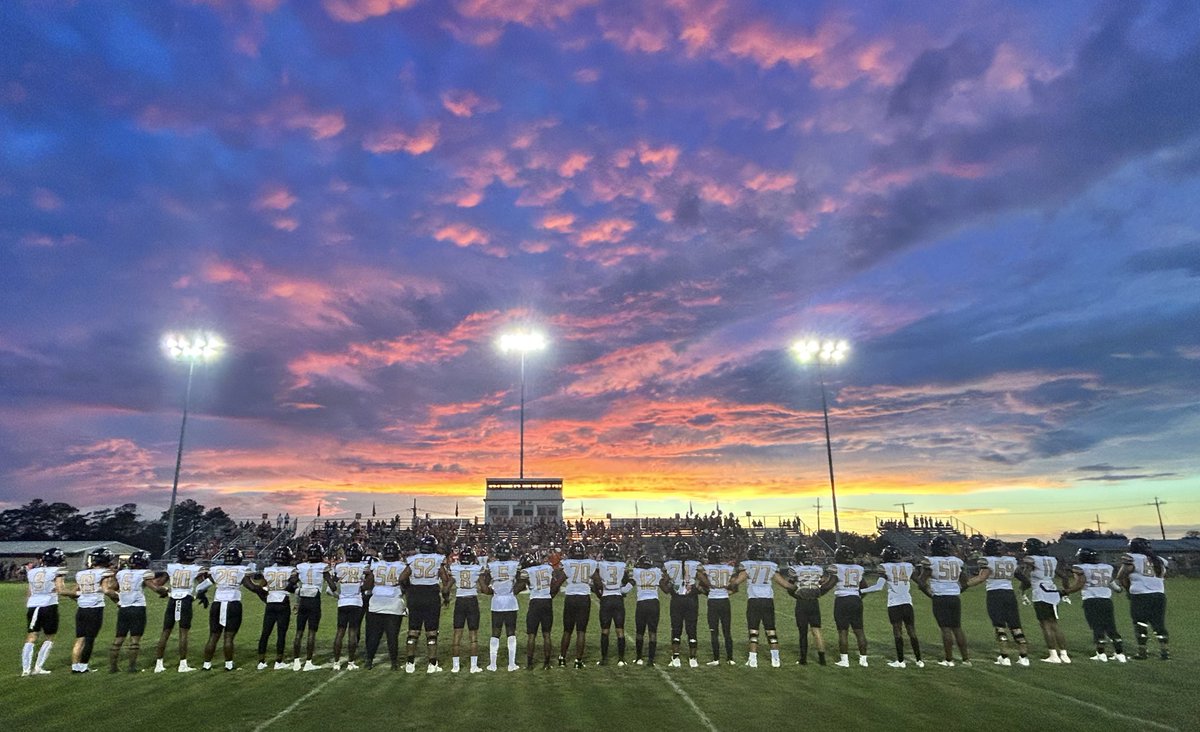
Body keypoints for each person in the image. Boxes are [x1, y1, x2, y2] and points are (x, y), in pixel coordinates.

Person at [965, 538, 1029, 666]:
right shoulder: (1011, 560)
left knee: (999, 625)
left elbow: (981, 578)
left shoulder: (988, 561)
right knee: (1015, 625)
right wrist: (1022, 590)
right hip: (1009, 594)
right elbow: (1025, 580)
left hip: (995, 594)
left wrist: (963, 585)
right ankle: (1024, 657)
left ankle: (1005, 657)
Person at [728, 542, 791, 668]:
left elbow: (736, 582)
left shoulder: (748, 565)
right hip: (768, 601)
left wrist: (729, 581)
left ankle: (753, 660)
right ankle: (775, 659)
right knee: (771, 629)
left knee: (753, 630)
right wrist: (797, 587)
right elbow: (785, 584)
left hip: (754, 601)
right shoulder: (771, 566)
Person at [915, 536, 969, 667]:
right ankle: (966, 659)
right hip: (954, 597)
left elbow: (921, 582)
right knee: (957, 628)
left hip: (940, 597)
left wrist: (930, 594)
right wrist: (956, 591)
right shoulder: (957, 561)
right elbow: (965, 582)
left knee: (945, 629)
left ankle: (949, 660)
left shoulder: (931, 561)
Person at [153, 543, 208, 673]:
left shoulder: (172, 567)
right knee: (183, 632)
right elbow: (203, 585)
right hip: (185, 600)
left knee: (165, 631)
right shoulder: (196, 569)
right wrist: (201, 596)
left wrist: (165, 592)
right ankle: (182, 664)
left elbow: (158, 584)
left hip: (173, 599)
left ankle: (158, 664)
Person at [110, 551, 166, 673]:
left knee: (119, 638)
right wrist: (165, 591)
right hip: (137, 608)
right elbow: (155, 588)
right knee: (135, 640)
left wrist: (118, 599)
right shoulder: (144, 573)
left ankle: (113, 667)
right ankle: (132, 667)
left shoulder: (121, 573)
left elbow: (113, 588)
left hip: (123, 608)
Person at [201, 547, 256, 671]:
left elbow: (202, 586)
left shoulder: (216, 569)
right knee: (229, 637)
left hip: (217, 602)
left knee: (213, 636)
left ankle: (206, 664)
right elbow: (251, 587)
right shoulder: (241, 569)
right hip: (233, 603)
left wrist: (201, 594)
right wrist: (263, 592)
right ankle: (228, 664)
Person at [1066, 547, 1125, 662]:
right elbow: (1113, 584)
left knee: (1097, 627)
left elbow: (1079, 583)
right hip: (1106, 601)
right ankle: (1120, 653)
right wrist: (1119, 589)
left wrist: (1065, 591)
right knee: (1111, 627)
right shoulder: (1107, 567)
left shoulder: (1080, 568)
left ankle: (1101, 654)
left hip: (1092, 600)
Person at [1018, 538, 1070, 664]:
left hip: (1041, 593)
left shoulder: (1032, 559)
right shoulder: (1052, 559)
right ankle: (1064, 655)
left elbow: (1026, 579)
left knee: (1045, 625)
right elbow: (1064, 576)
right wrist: (1066, 592)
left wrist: (1022, 591)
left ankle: (1053, 655)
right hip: (1053, 591)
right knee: (1055, 624)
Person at [1117, 537, 1168, 660]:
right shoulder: (1159, 560)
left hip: (1141, 595)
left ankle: (1142, 652)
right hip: (1159, 595)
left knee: (1140, 623)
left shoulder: (1133, 558)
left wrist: (1128, 589)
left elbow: (1121, 575)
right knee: (1158, 624)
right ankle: (1165, 652)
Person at [400, 534, 446, 673]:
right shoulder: (438, 559)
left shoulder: (413, 559)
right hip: (431, 595)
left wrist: (408, 589)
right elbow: (445, 579)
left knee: (413, 631)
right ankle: (432, 665)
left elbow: (402, 577)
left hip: (415, 595)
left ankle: (410, 664)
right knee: (431, 632)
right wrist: (446, 595)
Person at [69, 547, 118, 673]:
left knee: (80, 638)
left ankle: (75, 667)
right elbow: (107, 590)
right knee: (90, 638)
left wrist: (82, 599)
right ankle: (84, 666)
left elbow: (73, 593)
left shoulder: (81, 573)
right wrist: (119, 597)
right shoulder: (105, 573)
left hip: (81, 609)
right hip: (95, 609)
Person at [822, 545, 871, 668]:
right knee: (859, 631)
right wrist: (857, 597)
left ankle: (845, 660)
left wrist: (817, 591)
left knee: (843, 631)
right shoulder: (858, 568)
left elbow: (828, 586)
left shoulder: (837, 568)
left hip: (842, 600)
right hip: (856, 600)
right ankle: (863, 660)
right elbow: (864, 587)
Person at [22, 547, 67, 676]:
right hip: (49, 605)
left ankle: (26, 669)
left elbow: (29, 592)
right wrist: (77, 594)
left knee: (31, 635)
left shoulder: (32, 572)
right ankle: (37, 667)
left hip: (33, 605)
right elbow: (61, 589)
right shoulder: (58, 571)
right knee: (49, 636)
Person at [327, 542, 371, 670]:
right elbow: (369, 582)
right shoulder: (364, 566)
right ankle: (351, 662)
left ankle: (336, 662)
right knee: (353, 631)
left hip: (343, 602)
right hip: (356, 602)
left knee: (340, 632)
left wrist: (338, 595)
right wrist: (361, 588)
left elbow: (332, 586)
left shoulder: (340, 567)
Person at [877, 546, 922, 668]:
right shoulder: (908, 566)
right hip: (907, 602)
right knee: (911, 630)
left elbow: (880, 584)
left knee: (897, 631)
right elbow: (919, 581)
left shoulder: (884, 567)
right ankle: (919, 660)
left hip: (894, 603)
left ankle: (901, 661)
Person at [364, 540, 406, 670]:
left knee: (374, 635)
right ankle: (394, 663)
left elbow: (367, 584)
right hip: (394, 602)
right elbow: (406, 584)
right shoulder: (402, 566)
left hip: (376, 602)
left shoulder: (376, 565)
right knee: (392, 636)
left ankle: (369, 661)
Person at [518, 552, 565, 669]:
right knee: (547, 634)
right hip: (547, 601)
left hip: (535, 602)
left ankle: (529, 664)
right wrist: (550, 596)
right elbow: (555, 584)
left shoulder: (527, 571)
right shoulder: (547, 568)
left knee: (531, 635)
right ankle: (547, 664)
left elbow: (520, 586)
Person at [255, 546, 297, 670]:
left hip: (271, 601)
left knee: (265, 632)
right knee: (281, 633)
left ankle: (261, 661)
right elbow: (293, 587)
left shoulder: (268, 570)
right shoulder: (291, 570)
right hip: (283, 601)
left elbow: (260, 587)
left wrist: (265, 598)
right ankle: (278, 661)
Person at [481, 540, 520, 672]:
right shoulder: (515, 564)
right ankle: (511, 664)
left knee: (495, 632)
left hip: (497, 601)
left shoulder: (491, 565)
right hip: (510, 600)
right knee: (511, 632)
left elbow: (485, 585)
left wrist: (495, 589)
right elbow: (521, 582)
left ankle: (493, 664)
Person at [784, 545, 827, 666]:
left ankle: (803, 659)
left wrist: (796, 595)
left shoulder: (795, 569)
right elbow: (822, 583)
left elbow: (790, 586)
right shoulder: (818, 569)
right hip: (814, 602)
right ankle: (822, 659)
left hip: (802, 602)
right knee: (816, 630)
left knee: (803, 632)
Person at [558, 541, 597, 669]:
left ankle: (562, 659)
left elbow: (560, 581)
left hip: (571, 597)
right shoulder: (590, 563)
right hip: (584, 597)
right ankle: (577, 661)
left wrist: (551, 592)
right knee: (581, 631)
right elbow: (598, 582)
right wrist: (598, 591)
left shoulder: (567, 563)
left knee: (567, 630)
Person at [662, 541, 701, 668]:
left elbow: (663, 584)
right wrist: (696, 589)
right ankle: (693, 659)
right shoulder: (696, 564)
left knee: (676, 629)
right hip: (691, 599)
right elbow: (704, 581)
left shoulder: (670, 565)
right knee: (692, 629)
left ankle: (676, 658)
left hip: (677, 600)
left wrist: (670, 590)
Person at [446, 545, 484, 673]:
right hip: (472, 600)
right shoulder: (476, 568)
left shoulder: (455, 568)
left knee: (457, 634)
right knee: (473, 635)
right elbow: (483, 588)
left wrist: (446, 599)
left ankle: (455, 666)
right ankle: (473, 666)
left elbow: (446, 588)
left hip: (460, 600)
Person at [594, 541, 631, 666]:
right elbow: (626, 581)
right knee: (620, 630)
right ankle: (621, 659)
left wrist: (598, 593)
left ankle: (604, 659)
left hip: (606, 597)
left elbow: (596, 582)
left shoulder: (599, 565)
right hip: (617, 597)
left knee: (605, 630)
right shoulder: (622, 565)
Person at [292, 543, 327, 671]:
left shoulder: (301, 566)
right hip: (314, 599)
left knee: (299, 631)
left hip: (303, 597)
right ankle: (308, 662)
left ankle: (296, 662)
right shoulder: (323, 566)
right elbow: (333, 586)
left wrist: (298, 591)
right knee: (311, 632)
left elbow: (291, 582)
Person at [700, 544, 735, 666]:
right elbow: (735, 587)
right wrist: (725, 592)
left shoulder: (706, 568)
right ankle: (730, 658)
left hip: (713, 601)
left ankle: (716, 659)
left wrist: (710, 593)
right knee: (727, 631)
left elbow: (701, 586)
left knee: (714, 631)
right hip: (725, 600)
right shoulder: (729, 568)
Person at [629, 554, 663, 666]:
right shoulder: (657, 571)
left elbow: (629, 584)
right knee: (652, 632)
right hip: (654, 602)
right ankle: (651, 660)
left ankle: (639, 658)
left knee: (640, 632)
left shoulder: (636, 572)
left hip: (642, 603)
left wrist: (621, 591)